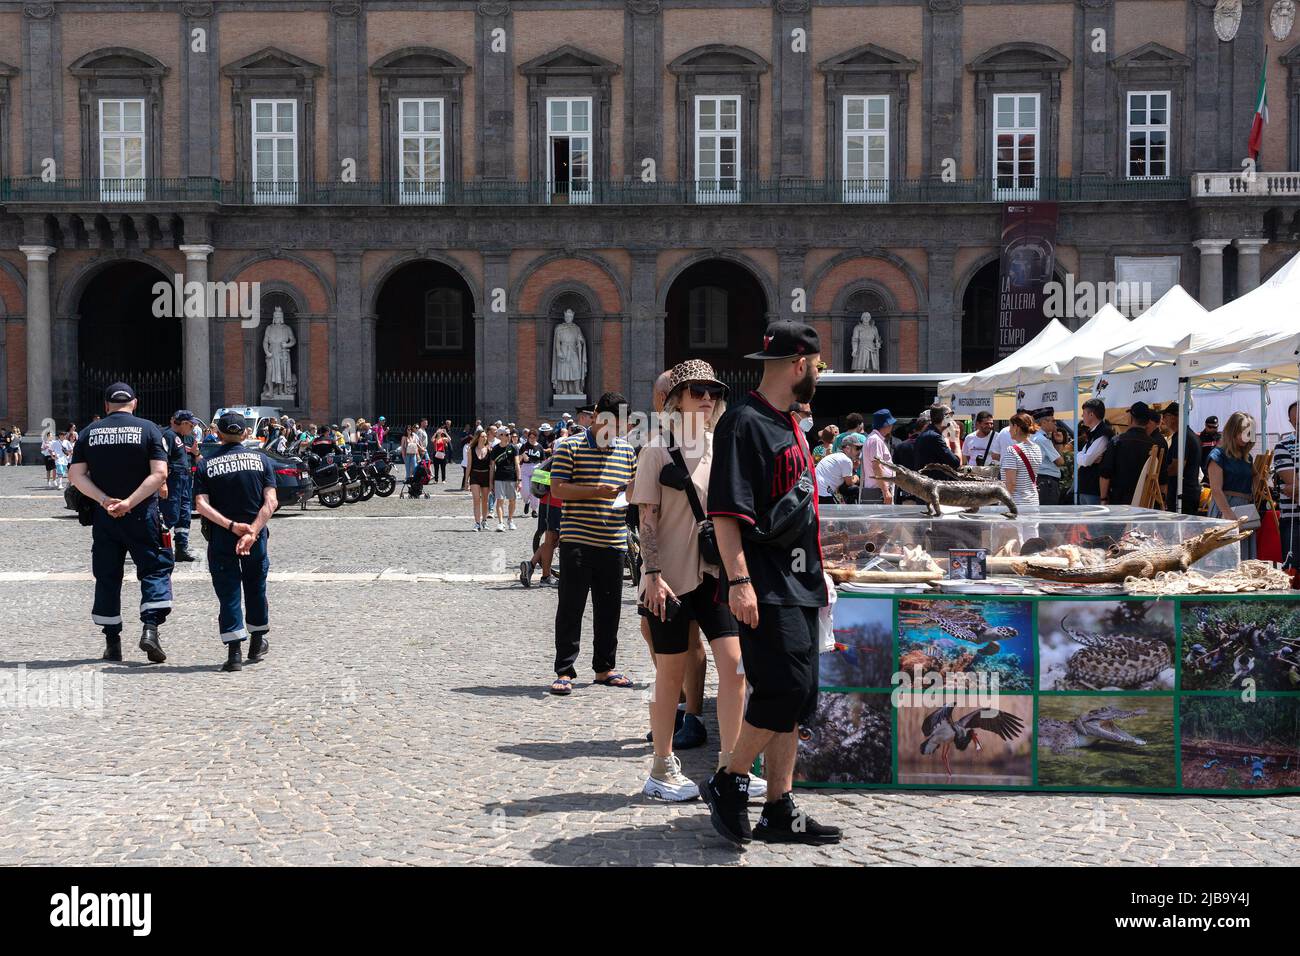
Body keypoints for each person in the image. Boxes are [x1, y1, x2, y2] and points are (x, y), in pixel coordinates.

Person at [703, 320, 840, 847]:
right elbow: (726, 514)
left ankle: (779, 807)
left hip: (800, 581)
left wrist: (821, 571)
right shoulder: (743, 423)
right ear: (801, 364)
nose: (818, 379)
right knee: (783, 689)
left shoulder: (790, 424)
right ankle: (730, 778)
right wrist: (739, 581)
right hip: (763, 582)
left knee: (799, 697)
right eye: (819, 368)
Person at [633, 360, 754, 801]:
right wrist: (651, 574)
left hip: (714, 576)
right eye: (697, 391)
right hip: (668, 580)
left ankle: (730, 765)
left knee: (735, 667)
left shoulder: (722, 447)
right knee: (670, 675)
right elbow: (647, 518)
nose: (707, 398)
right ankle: (661, 767)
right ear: (676, 400)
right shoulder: (655, 450)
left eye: (713, 391)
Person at [67, 382, 173, 664]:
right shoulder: (149, 429)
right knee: (154, 569)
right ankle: (150, 629)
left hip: (105, 518)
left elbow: (76, 476)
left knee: (107, 576)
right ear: (134, 403)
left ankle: (112, 643)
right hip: (143, 515)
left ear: (106, 406)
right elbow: (160, 474)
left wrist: (104, 500)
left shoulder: (89, 433)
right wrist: (130, 502)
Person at [547, 391, 637, 696]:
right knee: (571, 606)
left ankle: (604, 668)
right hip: (577, 541)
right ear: (596, 415)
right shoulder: (569, 446)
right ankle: (564, 670)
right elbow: (558, 490)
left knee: (609, 609)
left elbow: (633, 490)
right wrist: (597, 491)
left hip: (613, 541)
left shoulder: (626, 451)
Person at [192, 411, 277, 672]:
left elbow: (201, 504)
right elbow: (271, 502)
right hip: (256, 537)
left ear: (217, 434)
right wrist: (251, 531)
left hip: (222, 536)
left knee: (228, 591)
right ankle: (257, 640)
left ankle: (234, 653)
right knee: (256, 587)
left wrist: (232, 526)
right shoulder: (262, 461)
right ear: (245, 433)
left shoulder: (206, 463)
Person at [1206, 411, 1259, 560]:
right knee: (1224, 559)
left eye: (1250, 434)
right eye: (1244, 433)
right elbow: (1216, 490)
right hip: (1225, 509)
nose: (1247, 437)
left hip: (1244, 510)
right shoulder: (1218, 455)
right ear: (1233, 430)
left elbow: (1255, 476)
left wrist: (1252, 494)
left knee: (1243, 559)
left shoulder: (1247, 456)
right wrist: (1229, 515)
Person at [158, 410, 201, 562]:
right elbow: (162, 460)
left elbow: (197, 459)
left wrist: (195, 453)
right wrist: (162, 483)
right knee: (171, 514)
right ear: (183, 423)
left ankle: (181, 548)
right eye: (191, 424)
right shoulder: (169, 436)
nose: (193, 427)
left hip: (184, 479)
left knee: (184, 515)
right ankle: (157, 546)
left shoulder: (184, 437)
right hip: (174, 479)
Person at [1100, 402, 1155, 507]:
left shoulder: (1117, 441)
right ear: (1147, 421)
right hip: (1145, 502)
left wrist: (1103, 498)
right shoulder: (1155, 445)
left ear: (1131, 418)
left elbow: (1105, 474)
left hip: (1119, 501)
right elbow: (1161, 478)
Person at [1160, 402, 1202, 515]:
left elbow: (1176, 468)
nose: (1163, 420)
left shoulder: (1182, 437)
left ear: (1173, 417)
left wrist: (1159, 472)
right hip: (1187, 492)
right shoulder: (1187, 435)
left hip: (1183, 494)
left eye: (1165, 416)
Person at [1001, 412, 1043, 509]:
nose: (1009, 430)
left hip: (1016, 503)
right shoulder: (1036, 448)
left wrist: (1003, 504)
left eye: (1010, 426)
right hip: (1033, 502)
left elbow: (1011, 482)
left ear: (1016, 427)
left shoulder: (1012, 450)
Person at [1273, 401, 1297, 569]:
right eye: (1296, 422)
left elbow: (1295, 487)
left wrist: (1294, 487)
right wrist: (1293, 487)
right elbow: (1292, 484)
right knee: (1292, 570)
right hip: (1293, 520)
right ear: (1290, 421)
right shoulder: (1282, 446)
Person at [1075, 398, 1111, 505]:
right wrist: (1082, 455)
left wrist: (1082, 456)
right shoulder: (1094, 433)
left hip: (1094, 490)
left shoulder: (1103, 433)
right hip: (1087, 488)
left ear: (1091, 414)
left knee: (1093, 522)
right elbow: (1082, 457)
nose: (1082, 416)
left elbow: (1086, 460)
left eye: (1084, 413)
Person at [1029, 408, 1065, 505]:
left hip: (1040, 480)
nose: (1055, 423)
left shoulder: (1034, 436)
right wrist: (1060, 443)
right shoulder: (1042, 439)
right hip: (1047, 482)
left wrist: (1058, 442)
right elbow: (1060, 462)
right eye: (1053, 421)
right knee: (1049, 515)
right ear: (1044, 422)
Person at [815, 431, 863, 504]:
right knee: (855, 490)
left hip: (818, 491)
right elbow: (849, 483)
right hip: (824, 493)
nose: (859, 451)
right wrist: (856, 477)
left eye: (860, 448)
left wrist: (854, 468)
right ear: (847, 448)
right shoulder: (846, 460)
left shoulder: (838, 456)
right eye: (857, 448)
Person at [859, 409, 895, 504]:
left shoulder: (873, 439)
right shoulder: (876, 440)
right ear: (886, 425)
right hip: (877, 491)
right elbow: (877, 466)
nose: (892, 426)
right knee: (880, 518)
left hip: (876, 489)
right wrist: (885, 491)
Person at [488, 429, 521, 531]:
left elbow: (517, 464)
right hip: (499, 477)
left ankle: (510, 520)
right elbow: (492, 467)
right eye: (503, 434)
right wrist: (491, 482)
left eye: (507, 434)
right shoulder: (495, 449)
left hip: (511, 477)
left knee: (512, 501)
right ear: (499, 436)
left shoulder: (514, 447)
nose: (506, 436)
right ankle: (501, 523)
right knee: (500, 501)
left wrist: (519, 480)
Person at [914, 405, 960, 471]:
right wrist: (956, 439)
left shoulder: (927, 433)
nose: (952, 420)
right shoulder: (934, 437)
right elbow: (955, 463)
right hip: (933, 480)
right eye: (951, 415)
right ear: (946, 417)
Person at [467, 429, 492, 530]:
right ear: (478, 438)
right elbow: (469, 465)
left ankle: (484, 521)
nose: (484, 438)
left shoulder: (489, 450)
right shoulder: (471, 449)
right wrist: (466, 480)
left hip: (485, 476)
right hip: (474, 476)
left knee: (485, 500)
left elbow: (491, 467)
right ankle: (477, 523)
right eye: (482, 436)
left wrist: (491, 481)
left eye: (486, 436)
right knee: (476, 500)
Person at [518, 429, 544, 516]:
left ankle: (534, 510)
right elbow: (518, 459)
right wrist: (523, 456)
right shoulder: (524, 446)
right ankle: (527, 501)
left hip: (537, 468)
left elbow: (543, 460)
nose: (532, 439)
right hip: (525, 468)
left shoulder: (540, 447)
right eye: (530, 437)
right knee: (525, 490)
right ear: (528, 438)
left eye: (534, 437)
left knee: (535, 491)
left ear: (537, 438)